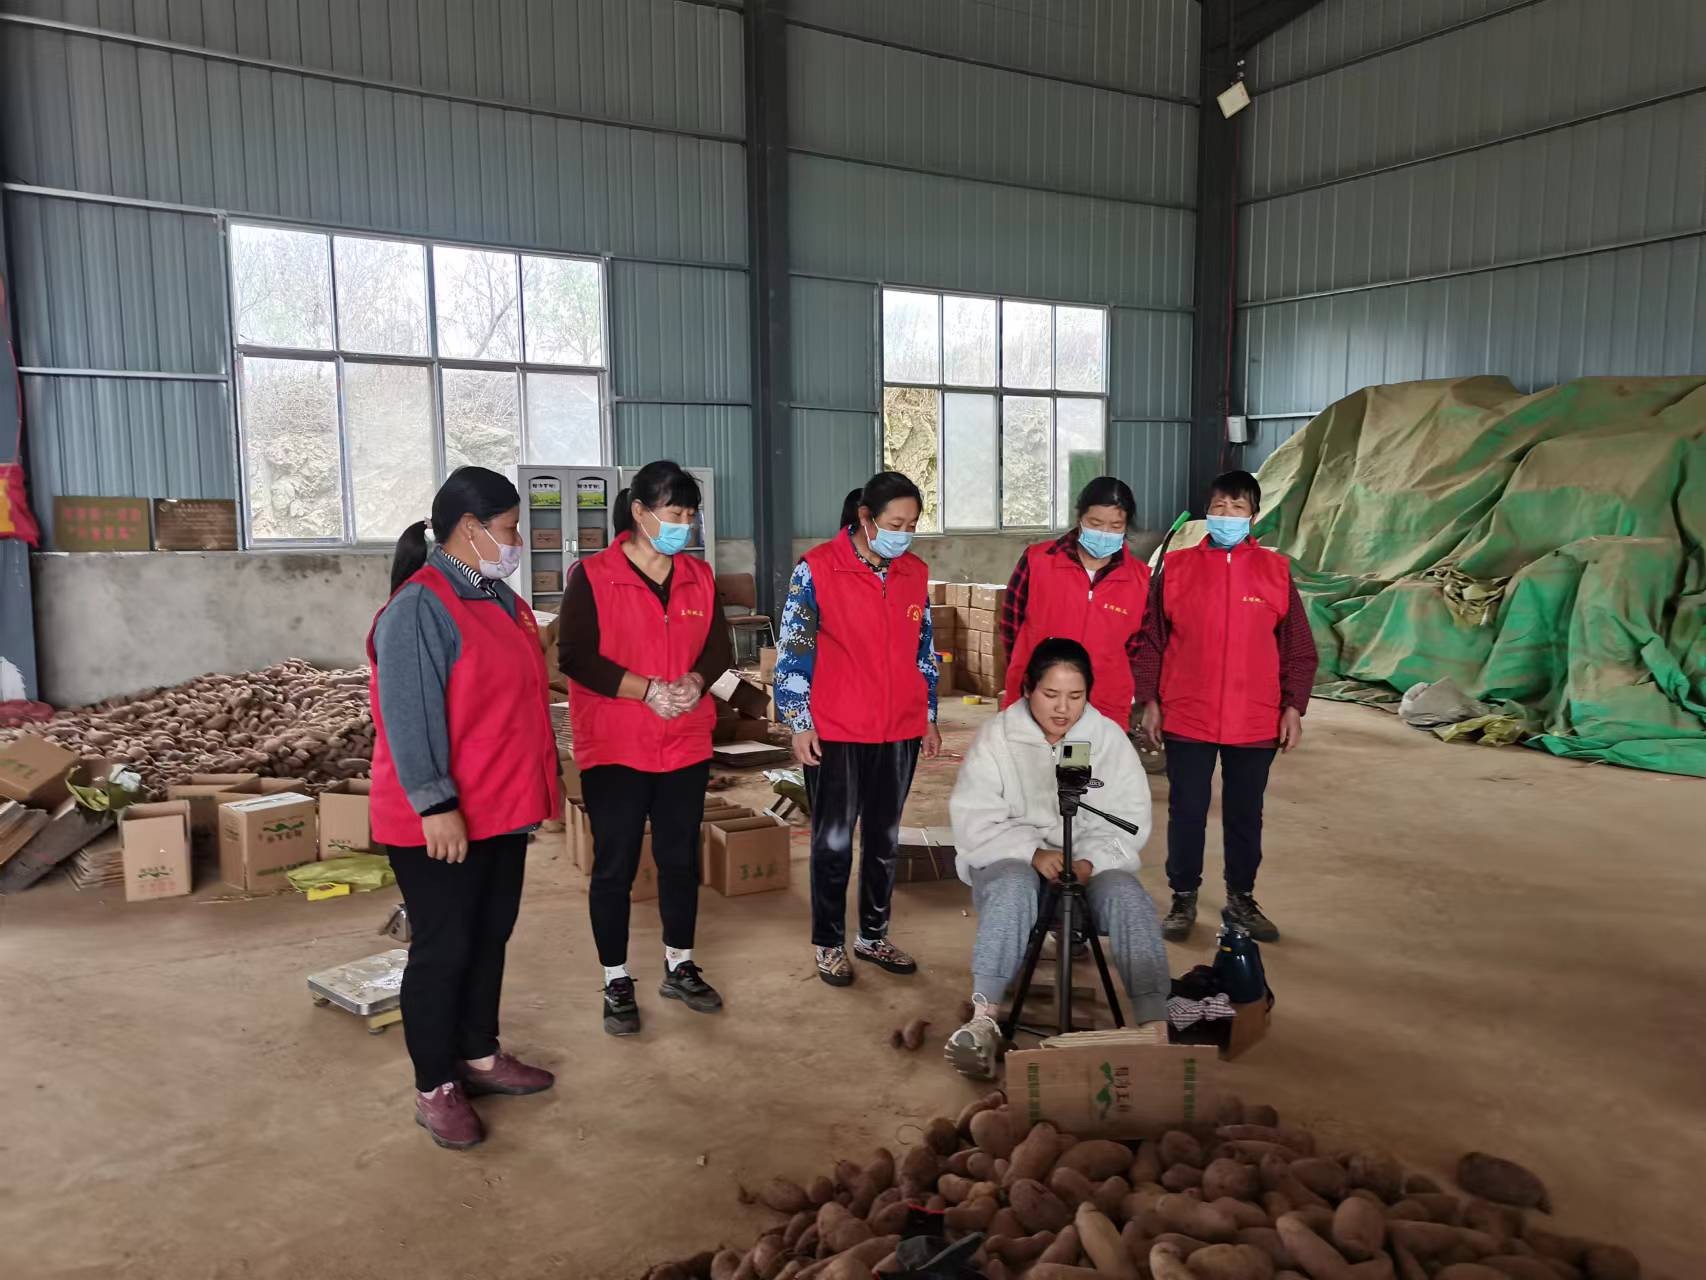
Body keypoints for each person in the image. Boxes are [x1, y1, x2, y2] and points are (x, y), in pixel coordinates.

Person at [369, 466, 560, 1151]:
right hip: (443, 818)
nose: (518, 543)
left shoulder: (498, 598)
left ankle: (478, 1054)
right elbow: (408, 716)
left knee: (488, 935)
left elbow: (518, 701)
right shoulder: (420, 607)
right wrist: (435, 803)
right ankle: (434, 1087)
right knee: (443, 949)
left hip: (501, 807)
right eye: (510, 529)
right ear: (471, 528)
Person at [944, 638, 1169, 1079]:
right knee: (1013, 886)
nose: (1063, 709)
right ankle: (984, 1019)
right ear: (1029, 689)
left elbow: (1130, 820)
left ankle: (1155, 1026)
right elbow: (973, 818)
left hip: (1086, 867)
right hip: (1012, 863)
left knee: (1128, 895)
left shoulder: (1107, 740)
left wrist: (1090, 861)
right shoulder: (998, 737)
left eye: (1075, 696)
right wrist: (1031, 852)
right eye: (1050, 694)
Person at [560, 460, 730, 1036]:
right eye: (673, 513)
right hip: (616, 745)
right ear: (639, 512)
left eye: (690, 515)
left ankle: (680, 965)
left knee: (680, 859)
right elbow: (575, 656)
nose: (684, 525)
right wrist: (647, 690)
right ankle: (615, 978)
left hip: (684, 742)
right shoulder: (592, 576)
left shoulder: (698, 577)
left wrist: (695, 682)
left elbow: (718, 649)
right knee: (616, 865)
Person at [1134, 469, 1318, 944]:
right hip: (1187, 714)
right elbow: (1151, 640)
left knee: (1244, 815)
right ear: (1207, 512)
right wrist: (1149, 699)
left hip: (1255, 718)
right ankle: (1183, 897)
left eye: (1238, 508)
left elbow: (1298, 648)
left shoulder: (1275, 571)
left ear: (1253, 516)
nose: (1227, 515)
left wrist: (1293, 706)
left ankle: (1241, 899)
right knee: (1187, 811)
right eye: (1219, 506)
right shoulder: (1177, 568)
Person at [777, 471, 942, 987]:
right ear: (866, 518)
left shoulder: (914, 572)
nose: (904, 534)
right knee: (833, 842)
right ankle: (829, 943)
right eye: (895, 524)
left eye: (912, 525)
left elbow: (924, 650)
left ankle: (873, 935)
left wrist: (928, 714)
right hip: (838, 729)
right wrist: (799, 720)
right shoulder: (817, 569)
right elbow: (793, 649)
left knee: (884, 839)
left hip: (898, 729)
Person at [1000, 476, 1151, 729]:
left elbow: (1135, 649)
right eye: (1095, 523)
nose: (1104, 533)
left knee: (1080, 758)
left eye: (1115, 525)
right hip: (1036, 702)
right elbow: (1010, 628)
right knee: (1032, 756)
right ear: (1079, 517)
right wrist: (1027, 680)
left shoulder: (1140, 579)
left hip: (1103, 709)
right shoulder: (1038, 561)